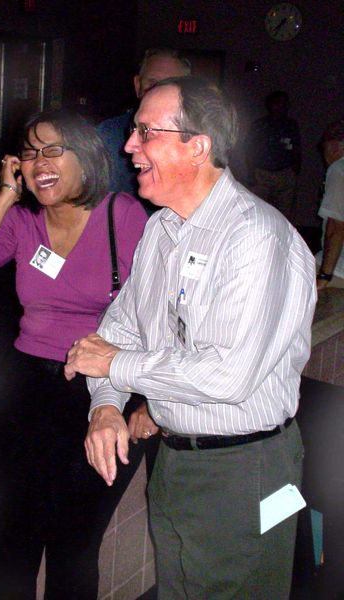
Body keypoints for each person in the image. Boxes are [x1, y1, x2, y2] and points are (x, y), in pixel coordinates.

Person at [66, 77, 317, 599]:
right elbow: (118, 330)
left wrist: (115, 368)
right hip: (177, 460)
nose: (128, 145)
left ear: (197, 146)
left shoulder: (256, 237)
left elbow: (226, 374)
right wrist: (107, 407)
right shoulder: (162, 230)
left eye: (144, 132)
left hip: (248, 469)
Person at [0, 109, 150, 599]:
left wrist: (148, 402)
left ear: (88, 157)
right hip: (22, 393)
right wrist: (7, 194)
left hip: (99, 392)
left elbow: (160, 313)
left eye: (54, 149)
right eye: (30, 153)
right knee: (8, 541)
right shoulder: (21, 221)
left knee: (74, 547)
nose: (40, 162)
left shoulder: (123, 215)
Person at [97, 48, 190, 198]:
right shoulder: (108, 136)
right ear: (137, 85)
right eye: (152, 83)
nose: (158, 92)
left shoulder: (197, 141)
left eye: (169, 85)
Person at [247, 90, 302, 222]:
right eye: (279, 103)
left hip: (285, 174)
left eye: (285, 104)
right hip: (262, 174)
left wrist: (294, 171)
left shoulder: (291, 125)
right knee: (257, 214)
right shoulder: (260, 125)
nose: (282, 107)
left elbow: (296, 148)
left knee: (284, 216)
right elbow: (249, 149)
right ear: (271, 105)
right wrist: (252, 172)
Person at [315, 118, 344, 290]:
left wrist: (324, 276)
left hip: (340, 268)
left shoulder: (339, 169)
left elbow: (336, 226)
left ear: (333, 146)